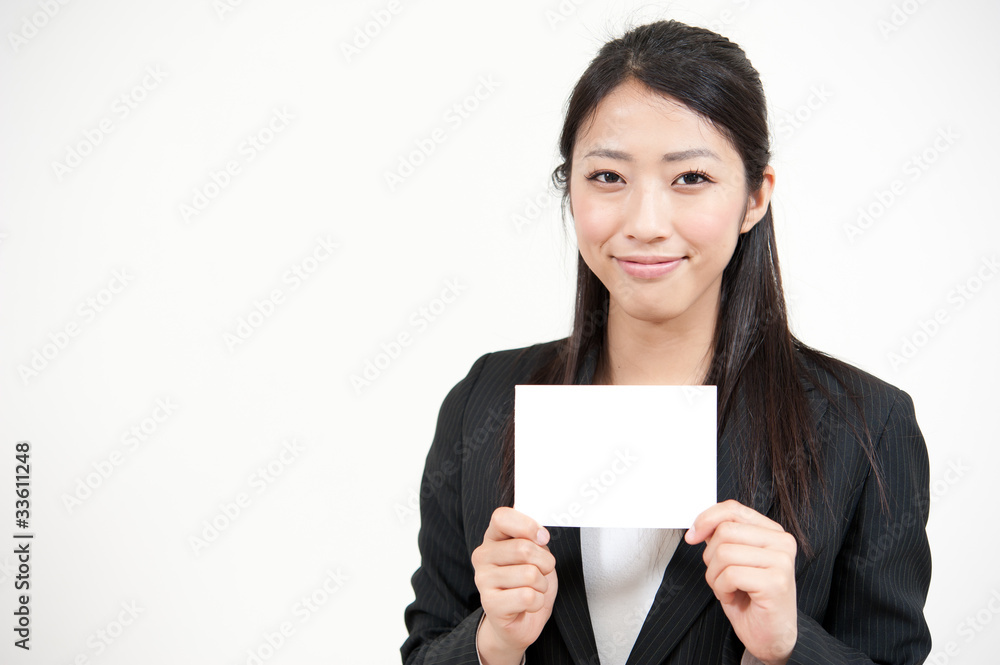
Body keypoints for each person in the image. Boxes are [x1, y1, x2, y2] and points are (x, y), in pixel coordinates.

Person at [401, 19, 931, 665]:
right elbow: (425, 647)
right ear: (570, 186)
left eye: (690, 179)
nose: (645, 224)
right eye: (607, 177)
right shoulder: (483, 403)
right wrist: (492, 642)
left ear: (755, 197)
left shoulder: (866, 425)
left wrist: (787, 647)